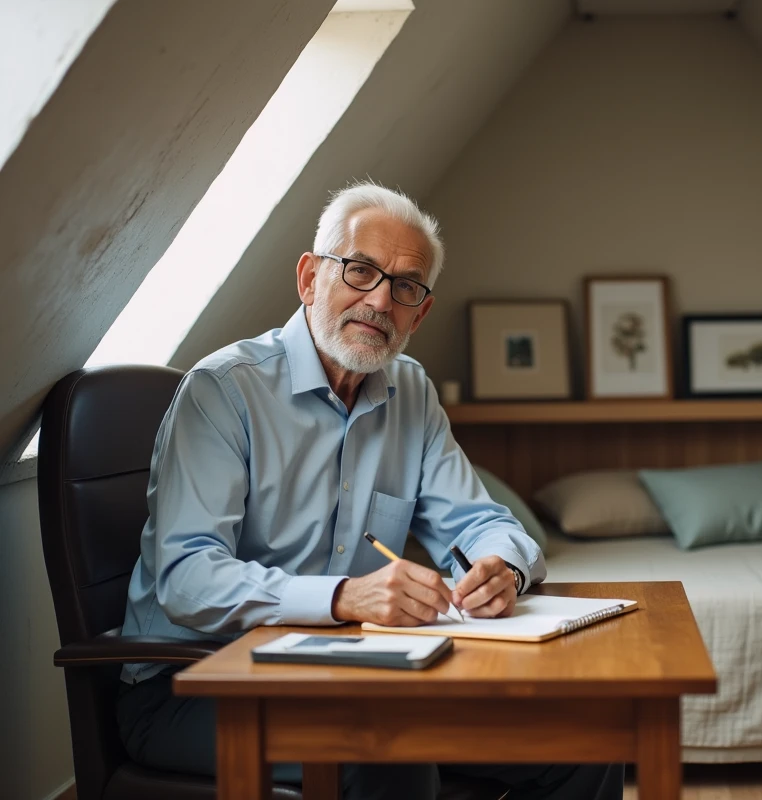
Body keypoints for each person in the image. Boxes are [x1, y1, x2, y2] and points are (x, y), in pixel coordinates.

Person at [115, 182, 624, 800]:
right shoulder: (222, 391)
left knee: (584, 738)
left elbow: (479, 522)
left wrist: (503, 570)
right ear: (310, 278)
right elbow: (188, 579)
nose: (380, 300)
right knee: (389, 754)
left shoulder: (411, 391)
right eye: (360, 270)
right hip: (196, 685)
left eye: (405, 287)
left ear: (419, 313)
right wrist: (345, 597)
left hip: (350, 672)